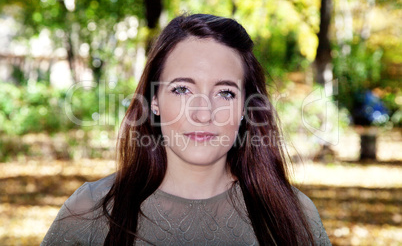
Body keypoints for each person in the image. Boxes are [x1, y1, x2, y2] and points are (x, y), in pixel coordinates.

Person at [42, 14, 331, 245]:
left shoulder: (292, 216)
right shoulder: (89, 211)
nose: (203, 113)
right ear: (154, 101)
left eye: (225, 93)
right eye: (182, 89)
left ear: (245, 107)